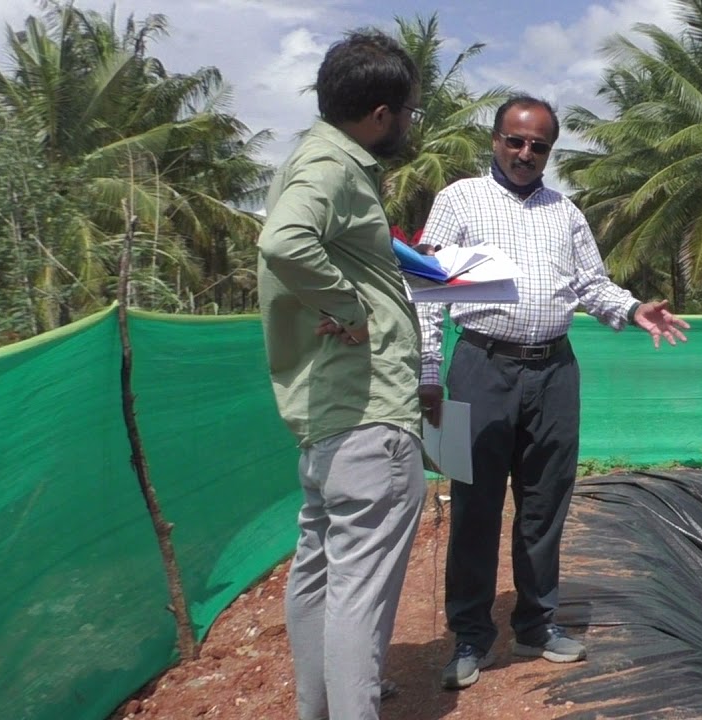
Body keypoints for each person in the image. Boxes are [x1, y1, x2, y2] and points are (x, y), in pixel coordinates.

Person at [415, 95, 690, 690]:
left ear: (549, 151)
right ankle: (470, 634)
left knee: (545, 504)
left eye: (539, 145)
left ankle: (536, 625)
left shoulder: (564, 211)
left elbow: (590, 284)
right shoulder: (459, 199)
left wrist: (635, 308)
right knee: (474, 505)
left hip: (555, 372)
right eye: (515, 141)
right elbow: (426, 288)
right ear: (495, 139)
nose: (525, 153)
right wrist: (429, 371)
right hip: (480, 367)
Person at [256, 30, 425, 720]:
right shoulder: (332, 168)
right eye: (409, 111)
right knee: (358, 589)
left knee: (320, 572)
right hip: (369, 412)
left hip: (329, 415)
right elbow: (284, 240)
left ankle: (317, 709)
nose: (411, 123)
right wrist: (352, 308)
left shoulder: (309, 156)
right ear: (381, 114)